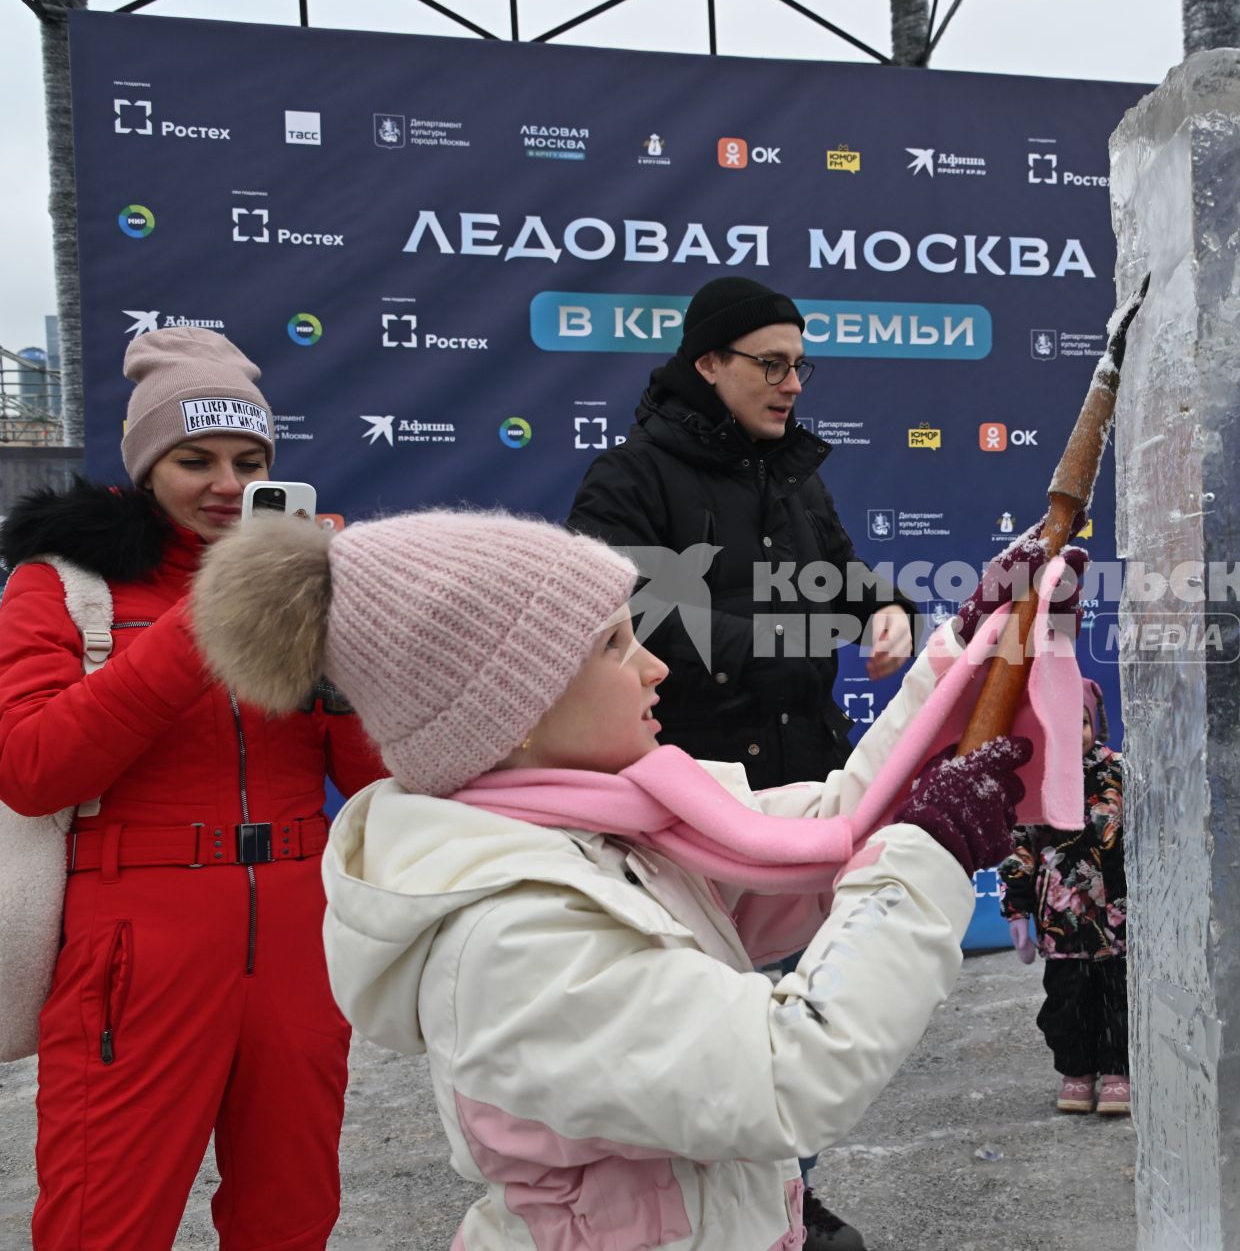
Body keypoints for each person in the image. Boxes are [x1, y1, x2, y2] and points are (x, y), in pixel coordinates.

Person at [189, 509, 1083, 1251]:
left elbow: (830, 831)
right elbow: (784, 1076)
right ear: (511, 715)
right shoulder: (510, 931)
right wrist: (924, 856)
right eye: (615, 645)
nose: (655, 666)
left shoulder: (608, 827)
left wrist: (963, 658)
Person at [0, 327, 387, 1249]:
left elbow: (374, 785)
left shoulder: (309, 585)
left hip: (297, 932)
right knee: (105, 1220)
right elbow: (33, 767)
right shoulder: (64, 586)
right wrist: (208, 619)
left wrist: (345, 660)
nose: (225, 482)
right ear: (144, 467)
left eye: (249, 460)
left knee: (291, 1216)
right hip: (136, 943)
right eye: (195, 458)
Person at [567, 275, 914, 791]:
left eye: (798, 366)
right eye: (772, 364)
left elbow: (837, 573)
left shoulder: (795, 477)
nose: (793, 384)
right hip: (686, 786)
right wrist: (763, 648)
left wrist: (888, 609)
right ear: (708, 363)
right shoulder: (630, 475)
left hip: (811, 776)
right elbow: (613, 617)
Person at [998, 678, 1129, 1116]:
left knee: (1118, 998)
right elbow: (1019, 846)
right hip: (1062, 922)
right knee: (1068, 1002)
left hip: (1117, 919)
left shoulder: (1120, 771)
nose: (1076, 734)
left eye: (1084, 722)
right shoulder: (1036, 779)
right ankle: (1077, 1070)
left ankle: (1118, 1070)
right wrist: (1016, 910)